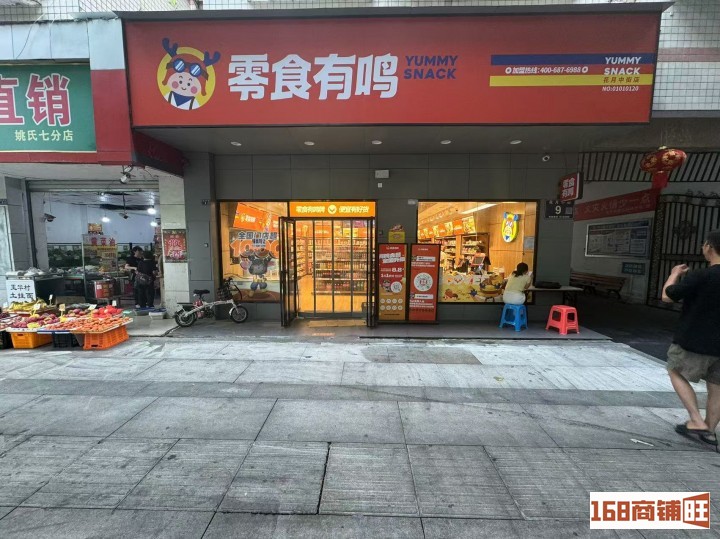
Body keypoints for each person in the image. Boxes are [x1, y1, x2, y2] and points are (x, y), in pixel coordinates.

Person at [662, 229, 720, 448]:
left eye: (704, 244)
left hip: (695, 340)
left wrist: (674, 274)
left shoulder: (702, 276)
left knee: (674, 370)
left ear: (709, 247)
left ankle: (696, 420)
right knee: (717, 386)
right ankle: (710, 431)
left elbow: (668, 296)